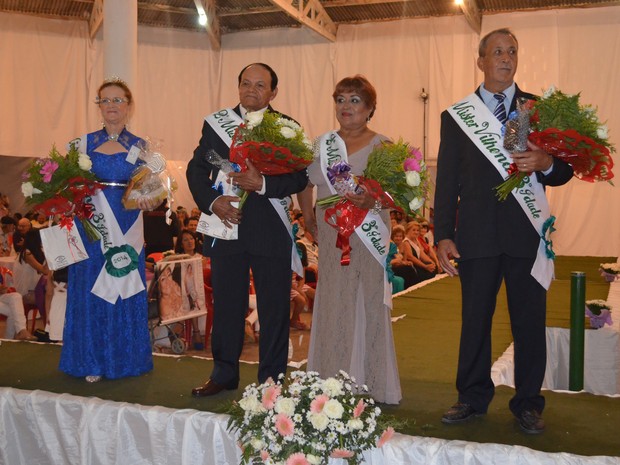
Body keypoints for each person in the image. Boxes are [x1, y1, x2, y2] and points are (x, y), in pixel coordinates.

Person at [434, 28, 574, 434]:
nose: (506, 58)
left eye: (512, 51)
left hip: (526, 234)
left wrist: (546, 160)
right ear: (481, 61)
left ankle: (528, 403)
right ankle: (472, 397)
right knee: (475, 319)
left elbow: (564, 170)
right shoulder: (456, 115)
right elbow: (447, 182)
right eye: (497, 52)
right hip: (476, 235)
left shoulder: (539, 109)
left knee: (529, 321)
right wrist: (443, 232)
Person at [187, 63, 308, 396]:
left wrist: (264, 183)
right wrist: (213, 203)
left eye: (259, 85)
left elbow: (299, 177)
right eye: (245, 83)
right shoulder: (216, 125)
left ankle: (271, 382)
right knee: (227, 305)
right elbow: (198, 168)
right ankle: (224, 374)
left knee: (274, 308)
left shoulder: (287, 128)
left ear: (273, 92)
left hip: (270, 229)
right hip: (226, 225)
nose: (251, 90)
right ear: (238, 86)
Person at [299, 75, 401, 404]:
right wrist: (310, 219)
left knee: (370, 300)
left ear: (370, 108)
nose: (346, 106)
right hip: (331, 232)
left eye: (355, 100)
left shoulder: (383, 145)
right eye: (340, 99)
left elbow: (396, 193)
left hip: (369, 230)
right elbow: (306, 184)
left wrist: (373, 201)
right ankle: (331, 378)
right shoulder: (321, 144)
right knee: (334, 300)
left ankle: (370, 380)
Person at [58, 78, 157, 382]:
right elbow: (65, 187)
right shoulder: (80, 144)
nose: (111, 106)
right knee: (91, 286)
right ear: (98, 105)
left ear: (129, 105)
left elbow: (150, 190)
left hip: (127, 226)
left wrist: (150, 199)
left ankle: (124, 358)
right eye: (105, 100)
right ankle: (91, 359)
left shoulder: (142, 146)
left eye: (118, 100)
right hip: (92, 227)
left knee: (122, 286)